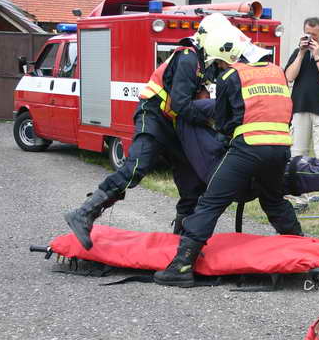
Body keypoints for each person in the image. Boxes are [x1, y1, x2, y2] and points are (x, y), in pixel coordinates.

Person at [154, 26, 302, 287]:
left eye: (219, 62)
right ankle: (302, 251)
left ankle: (181, 266)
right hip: (280, 149)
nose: (219, 67)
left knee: (210, 202)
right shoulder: (276, 71)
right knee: (274, 201)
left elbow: (223, 123)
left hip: (248, 149)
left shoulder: (230, 76)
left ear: (227, 56)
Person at [64, 16, 221, 250]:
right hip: (154, 115)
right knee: (136, 167)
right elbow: (181, 104)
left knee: (192, 179)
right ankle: (84, 213)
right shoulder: (188, 58)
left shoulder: (202, 63)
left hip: (172, 124)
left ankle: (184, 241)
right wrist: (210, 116)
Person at [284, 17, 319, 215]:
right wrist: (301, 53)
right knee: (297, 156)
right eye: (307, 34)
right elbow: (288, 77)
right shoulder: (297, 53)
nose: (310, 38)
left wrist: (317, 56)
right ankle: (300, 200)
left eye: (314, 35)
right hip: (299, 109)